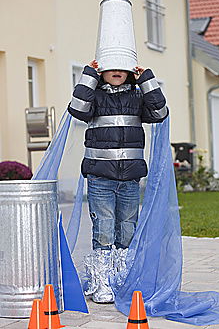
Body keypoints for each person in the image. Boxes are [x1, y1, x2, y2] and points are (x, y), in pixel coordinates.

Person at [67, 59, 168, 303]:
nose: (116, 71)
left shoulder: (137, 98)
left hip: (130, 178)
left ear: (130, 72)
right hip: (100, 177)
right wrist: (89, 75)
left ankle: (122, 280)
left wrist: (147, 80)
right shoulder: (95, 98)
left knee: (127, 228)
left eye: (122, 67)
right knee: (103, 227)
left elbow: (160, 113)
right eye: (110, 67)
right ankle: (102, 282)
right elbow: (77, 108)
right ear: (101, 72)